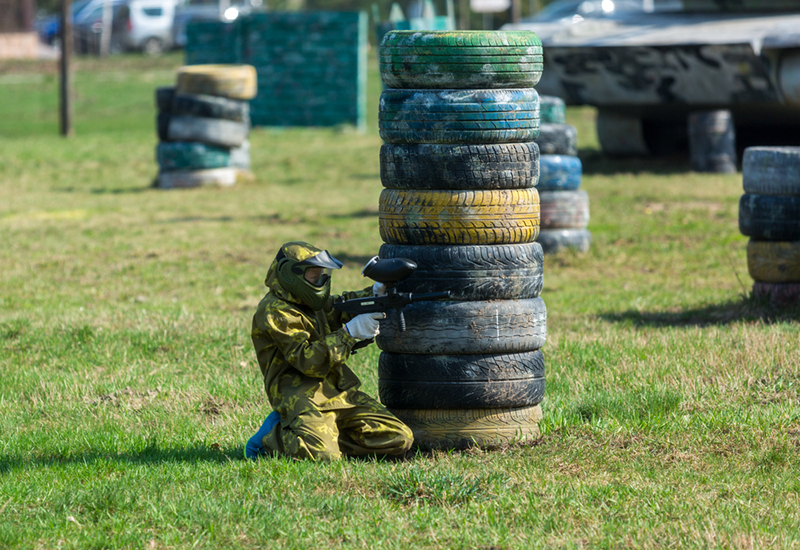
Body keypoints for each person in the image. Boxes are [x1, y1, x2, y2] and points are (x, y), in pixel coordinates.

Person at [245, 241, 414, 461]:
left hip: (338, 392)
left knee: (399, 438)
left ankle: (325, 435)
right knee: (324, 457)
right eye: (314, 277)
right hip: (300, 397)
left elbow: (338, 309)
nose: (320, 281)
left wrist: (374, 294)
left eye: (321, 275)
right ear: (289, 274)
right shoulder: (274, 312)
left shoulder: (311, 302)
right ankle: (271, 438)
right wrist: (349, 334)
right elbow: (308, 362)